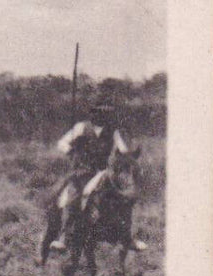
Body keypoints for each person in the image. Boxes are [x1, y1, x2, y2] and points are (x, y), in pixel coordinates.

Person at [51, 101, 144, 252]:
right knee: (73, 196)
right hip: (81, 172)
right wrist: (72, 150)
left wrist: (128, 155)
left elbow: (122, 149)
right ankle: (64, 238)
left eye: (106, 114)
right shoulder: (81, 127)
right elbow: (62, 142)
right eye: (100, 112)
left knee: (124, 197)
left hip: (101, 171)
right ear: (93, 113)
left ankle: (128, 238)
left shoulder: (112, 131)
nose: (103, 116)